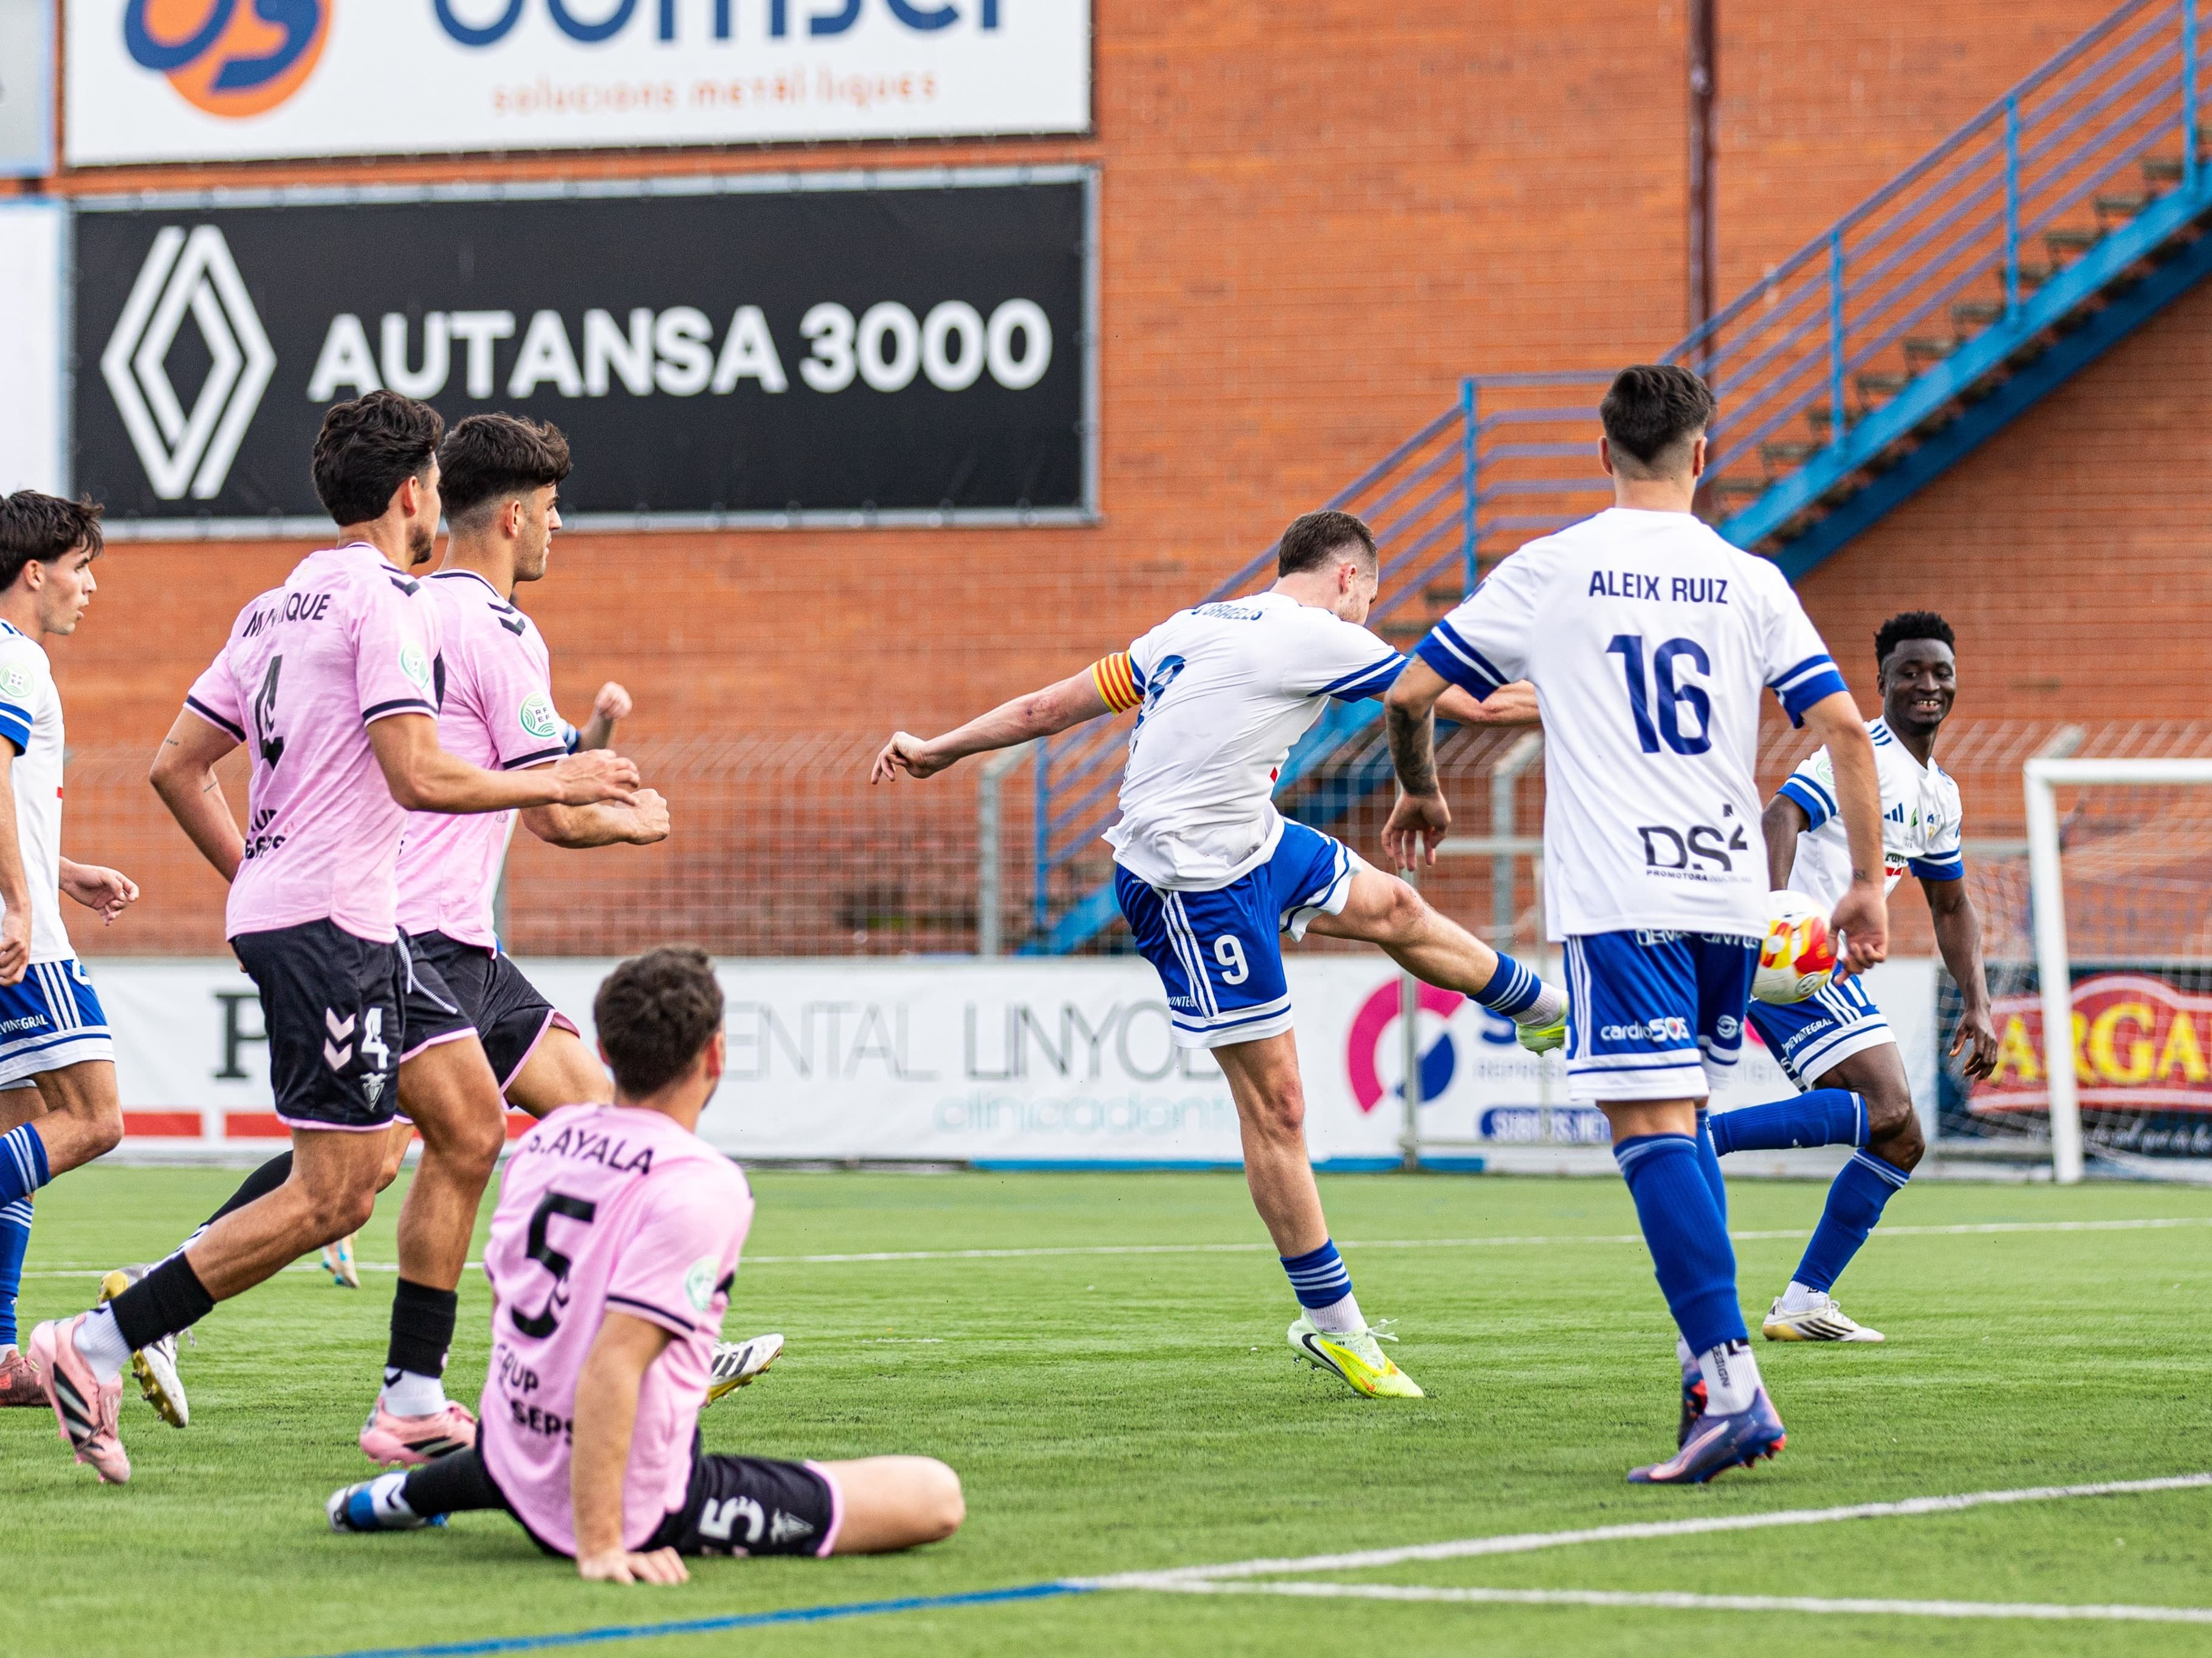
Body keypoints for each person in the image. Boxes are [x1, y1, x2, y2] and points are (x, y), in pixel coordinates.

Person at [27, 392, 640, 1485]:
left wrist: (256, 871)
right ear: (415, 495)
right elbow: (417, 772)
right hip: (330, 924)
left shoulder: (276, 604)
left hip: (339, 915)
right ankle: (102, 1337)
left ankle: (410, 1399)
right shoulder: (388, 606)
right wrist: (557, 775)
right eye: (439, 485)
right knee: (337, 1191)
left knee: (462, 1125)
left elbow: (177, 766)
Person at [873, 509, 1564, 1400]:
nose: (1365, 616)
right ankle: (1336, 1330)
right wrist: (1593, 701)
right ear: (1350, 580)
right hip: (1189, 877)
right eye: (1370, 598)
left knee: (1395, 906)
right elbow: (1452, 697)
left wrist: (940, 748)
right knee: (1278, 1105)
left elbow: (1050, 708)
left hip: (1249, 838)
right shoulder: (1314, 635)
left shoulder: (1192, 626)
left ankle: (1543, 1012)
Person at [171, 413, 772, 1421]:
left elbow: (527, 778)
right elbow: (547, 810)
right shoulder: (492, 626)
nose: (558, 529)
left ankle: (174, 1306)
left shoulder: (407, 606)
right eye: (550, 511)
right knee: (407, 1157)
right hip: (425, 934)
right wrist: (628, 820)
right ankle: (629, 1344)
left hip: (421, 930)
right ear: (509, 514)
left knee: (421, 1145)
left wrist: (590, 761)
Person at [1381, 363, 1888, 1482]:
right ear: (1704, 453)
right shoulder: (1748, 579)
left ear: (1600, 452)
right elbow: (1848, 731)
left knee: (1649, 1129)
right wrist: (1867, 885)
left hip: (1623, 894)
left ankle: (1735, 1383)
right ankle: (1705, 1376)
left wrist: (1419, 788)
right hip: (1727, 902)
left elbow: (1412, 692)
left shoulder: (1554, 567)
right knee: (1687, 1121)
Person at [326, 947, 964, 1579]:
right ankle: (466, 1502)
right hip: (626, 1496)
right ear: (715, 1055)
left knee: (514, 1458)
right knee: (935, 1495)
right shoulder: (702, 1183)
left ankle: (384, 1500)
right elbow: (613, 1362)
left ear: (602, 1050)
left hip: (513, 1456)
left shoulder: (541, 1143)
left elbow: (511, 1309)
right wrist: (603, 1541)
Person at [1708, 610, 1997, 1342]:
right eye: (1909, 672)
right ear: (1882, 682)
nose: (1926, 685)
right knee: (1888, 1106)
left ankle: (1805, 1299)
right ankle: (1696, 1139)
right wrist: (1777, 918)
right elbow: (1781, 816)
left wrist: (1978, 1003)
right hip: (1792, 956)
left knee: (1899, 1138)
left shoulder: (1938, 793)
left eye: (1939, 672)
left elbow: (1951, 902)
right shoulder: (1859, 753)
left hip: (1828, 963)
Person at [0, 494, 143, 1409]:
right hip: (22, 942)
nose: (88, 587)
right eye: (82, 567)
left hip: (20, 915)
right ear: (35, 571)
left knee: (16, 1123)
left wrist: (61, 869)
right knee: (94, 1119)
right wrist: (21, 903)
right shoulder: (18, 659)